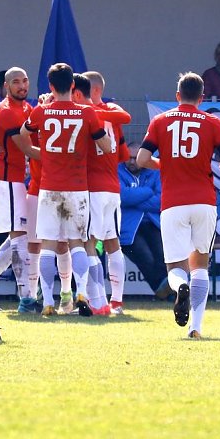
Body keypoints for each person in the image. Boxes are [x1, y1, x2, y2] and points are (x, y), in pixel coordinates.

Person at [136, 72, 220, 339]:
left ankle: (180, 286)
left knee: (176, 267)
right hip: (204, 202)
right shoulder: (212, 122)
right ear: (201, 98)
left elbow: (141, 159)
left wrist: (164, 164)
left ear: (177, 96)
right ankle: (196, 327)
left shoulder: (161, 121)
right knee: (201, 266)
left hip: (173, 203)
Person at [16, 63, 111, 317]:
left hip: (49, 188)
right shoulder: (87, 112)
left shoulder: (41, 111)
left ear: (50, 86)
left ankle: (48, 301)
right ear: (72, 85)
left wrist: (36, 153)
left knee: (47, 245)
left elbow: (22, 134)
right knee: (77, 242)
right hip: (77, 187)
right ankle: (81, 293)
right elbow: (106, 145)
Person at [0, 67, 35, 312]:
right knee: (19, 238)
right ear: (6, 86)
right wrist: (61, 159)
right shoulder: (7, 111)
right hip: (6, 181)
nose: (22, 86)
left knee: (17, 237)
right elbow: (27, 148)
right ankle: (27, 299)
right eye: (16, 82)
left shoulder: (26, 108)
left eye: (24, 81)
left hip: (15, 180)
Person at [81, 70, 132, 315]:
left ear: (95, 90)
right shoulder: (112, 113)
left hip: (93, 188)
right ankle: (117, 301)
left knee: (89, 243)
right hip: (112, 187)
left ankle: (97, 300)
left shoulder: (85, 115)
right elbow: (124, 155)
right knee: (112, 245)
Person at [118, 142, 170, 299]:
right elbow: (122, 197)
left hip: (153, 223)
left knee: (162, 257)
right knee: (145, 257)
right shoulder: (117, 170)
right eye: (129, 158)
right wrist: (148, 191)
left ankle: (165, 293)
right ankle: (165, 293)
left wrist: (134, 198)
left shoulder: (155, 170)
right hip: (128, 227)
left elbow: (161, 201)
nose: (132, 162)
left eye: (136, 158)